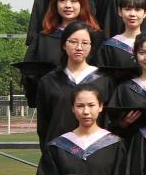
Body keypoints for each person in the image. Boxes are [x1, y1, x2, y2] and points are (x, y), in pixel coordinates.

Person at [35, 21, 115, 149]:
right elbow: (43, 124)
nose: (79, 47)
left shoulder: (104, 81)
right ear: (63, 44)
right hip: (59, 151)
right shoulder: (49, 81)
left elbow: (108, 121)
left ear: (91, 46)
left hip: (96, 150)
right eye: (73, 42)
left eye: (85, 43)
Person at [22, 0, 104, 106]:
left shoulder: (96, 38)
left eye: (74, 1)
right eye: (62, 0)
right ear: (55, 4)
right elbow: (30, 76)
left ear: (82, 4)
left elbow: (103, 77)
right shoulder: (43, 39)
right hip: (53, 105)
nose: (68, 5)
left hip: (88, 106)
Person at [106, 33, 146, 138]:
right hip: (135, 144)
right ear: (135, 54)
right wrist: (123, 123)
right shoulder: (125, 89)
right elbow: (110, 125)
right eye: (142, 52)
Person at [95, 0, 146, 75]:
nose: (132, 14)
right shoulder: (109, 47)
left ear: (145, 13)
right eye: (127, 9)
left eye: (137, 9)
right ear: (120, 11)